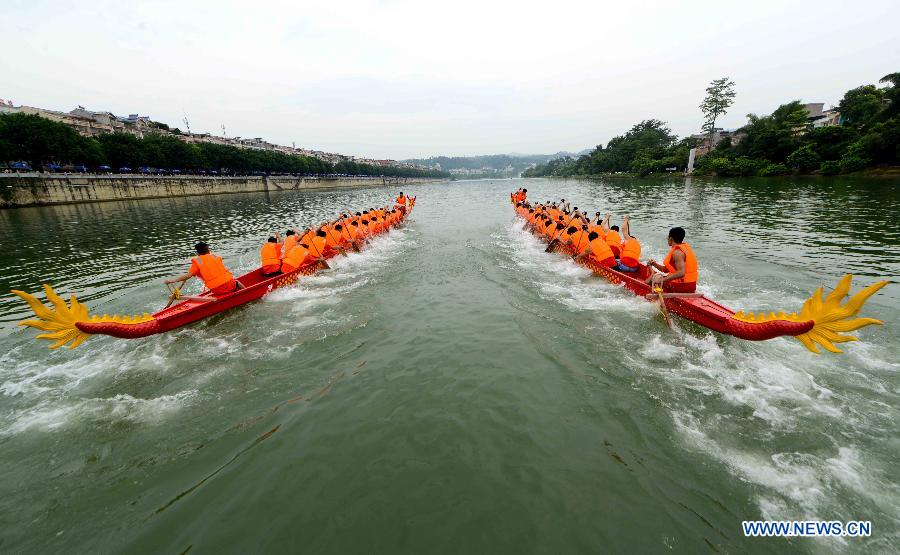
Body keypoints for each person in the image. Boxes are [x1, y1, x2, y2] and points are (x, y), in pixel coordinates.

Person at [165, 242, 242, 295]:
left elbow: (188, 275)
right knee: (237, 282)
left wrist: (172, 280)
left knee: (223, 284)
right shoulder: (216, 257)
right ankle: (245, 292)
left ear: (197, 253)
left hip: (215, 289)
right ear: (208, 250)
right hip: (230, 286)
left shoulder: (197, 261)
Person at [646, 226, 698, 293]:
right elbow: (665, 270)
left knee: (653, 278)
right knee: (658, 277)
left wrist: (662, 280)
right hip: (691, 286)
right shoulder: (685, 249)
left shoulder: (677, 253)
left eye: (668, 237)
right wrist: (654, 264)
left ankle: (642, 290)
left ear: (671, 238)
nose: (667, 238)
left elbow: (681, 273)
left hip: (680, 286)